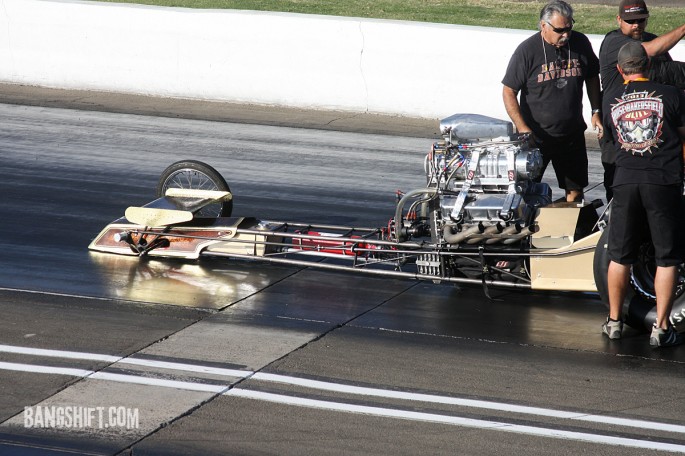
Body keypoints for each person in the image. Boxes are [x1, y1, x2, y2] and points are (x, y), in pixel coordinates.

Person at [601, 41, 685, 347]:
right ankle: (661, 328)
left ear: (622, 70)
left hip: (625, 181)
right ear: (648, 66)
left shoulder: (610, 97)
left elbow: (613, 138)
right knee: (667, 257)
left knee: (619, 256)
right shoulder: (673, 95)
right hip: (662, 181)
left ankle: (614, 322)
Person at [502, 0, 603, 203]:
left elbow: (592, 76)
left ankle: (570, 231)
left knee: (575, 190)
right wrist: (522, 128)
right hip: (535, 138)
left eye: (569, 28)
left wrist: (596, 110)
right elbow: (508, 91)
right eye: (559, 30)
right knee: (526, 191)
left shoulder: (581, 43)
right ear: (543, 26)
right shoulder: (527, 51)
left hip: (571, 134)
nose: (565, 35)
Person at [598, 0, 685, 202]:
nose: (636, 24)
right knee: (619, 193)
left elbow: (672, 76)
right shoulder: (614, 42)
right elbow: (648, 50)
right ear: (619, 19)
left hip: (653, 134)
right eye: (630, 21)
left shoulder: (655, 40)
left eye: (640, 20)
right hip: (619, 133)